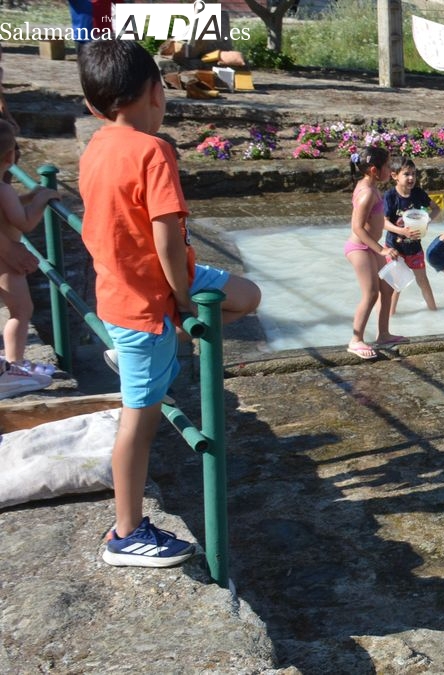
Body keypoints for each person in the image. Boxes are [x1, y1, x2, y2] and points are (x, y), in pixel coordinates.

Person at [78, 39, 259, 567]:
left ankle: (166, 337)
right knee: (139, 421)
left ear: (93, 104)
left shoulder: (96, 146)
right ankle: (126, 533)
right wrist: (181, 302)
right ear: (156, 92)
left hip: (122, 288)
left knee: (246, 296)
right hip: (146, 299)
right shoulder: (151, 151)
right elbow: (166, 240)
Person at [0, 121, 60, 367]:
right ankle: (15, 364)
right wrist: (42, 200)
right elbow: (24, 223)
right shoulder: (3, 189)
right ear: (10, 156)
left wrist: (28, 197)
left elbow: (7, 212)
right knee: (21, 311)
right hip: (6, 264)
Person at [344, 147, 405, 359]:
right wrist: (382, 249)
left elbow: (374, 221)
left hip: (371, 246)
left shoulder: (372, 187)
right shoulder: (367, 193)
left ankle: (384, 334)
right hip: (360, 248)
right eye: (387, 166)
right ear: (373, 170)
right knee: (370, 294)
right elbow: (358, 228)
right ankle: (356, 340)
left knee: (387, 288)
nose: (390, 169)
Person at [383, 158, 441, 313]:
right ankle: (390, 317)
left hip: (414, 248)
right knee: (397, 285)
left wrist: (426, 221)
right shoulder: (390, 196)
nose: (411, 178)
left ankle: (434, 312)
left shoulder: (418, 193)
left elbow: (436, 209)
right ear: (394, 176)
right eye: (407, 174)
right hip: (394, 248)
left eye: (414, 174)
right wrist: (402, 231)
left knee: (423, 281)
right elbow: (384, 222)